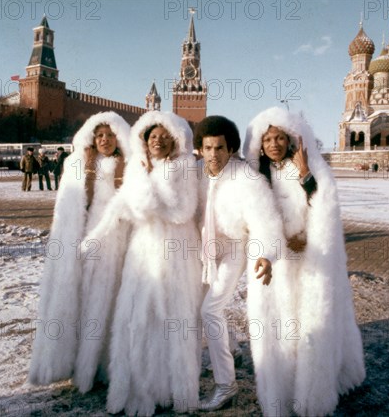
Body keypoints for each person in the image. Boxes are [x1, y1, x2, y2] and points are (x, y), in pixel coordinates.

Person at [243, 107, 366, 416]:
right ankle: (281, 390)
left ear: (290, 139)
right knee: (280, 327)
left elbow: (323, 209)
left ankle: (313, 391)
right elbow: (254, 219)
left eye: (279, 138)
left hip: (308, 265)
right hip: (275, 265)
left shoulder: (312, 168)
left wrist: (305, 176)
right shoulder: (258, 176)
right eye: (267, 139)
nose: (273, 144)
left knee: (310, 324)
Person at [86, 111, 203, 415]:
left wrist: (152, 182)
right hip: (143, 253)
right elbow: (121, 207)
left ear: (175, 140)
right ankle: (136, 387)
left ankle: (172, 388)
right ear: (144, 140)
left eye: (164, 137)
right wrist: (95, 237)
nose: (158, 141)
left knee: (172, 320)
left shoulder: (185, 166)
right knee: (138, 318)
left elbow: (181, 211)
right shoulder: (138, 169)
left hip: (176, 254)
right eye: (153, 137)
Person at [28, 112, 131, 393]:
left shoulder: (128, 165)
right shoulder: (76, 165)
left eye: (110, 135)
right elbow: (67, 209)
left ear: (119, 138)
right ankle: (77, 361)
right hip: (84, 242)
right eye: (100, 136)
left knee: (109, 300)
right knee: (84, 298)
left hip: (115, 242)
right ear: (92, 138)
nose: (105, 140)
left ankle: (104, 363)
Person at [195, 115, 284, 411]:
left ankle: (226, 385)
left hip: (234, 247)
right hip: (207, 249)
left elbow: (265, 218)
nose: (213, 154)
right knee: (205, 308)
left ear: (230, 148)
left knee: (210, 310)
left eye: (219, 148)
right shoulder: (199, 173)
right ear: (200, 148)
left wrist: (265, 253)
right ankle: (231, 347)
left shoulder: (245, 177)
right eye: (207, 148)